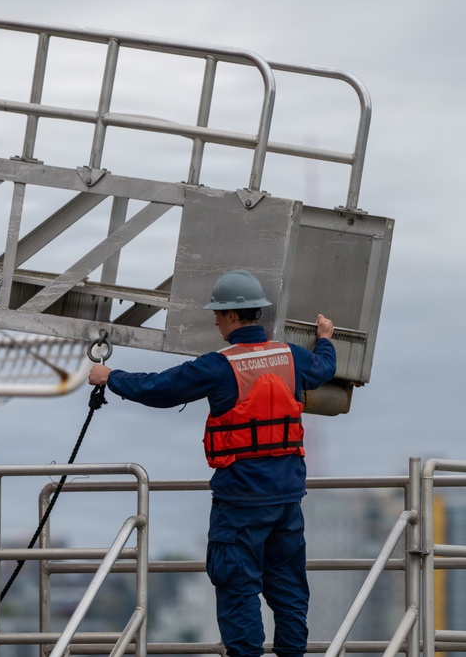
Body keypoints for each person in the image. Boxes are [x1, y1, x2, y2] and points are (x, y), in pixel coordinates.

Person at [88, 269, 336, 657]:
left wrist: (110, 376)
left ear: (233, 315)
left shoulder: (219, 366)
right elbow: (324, 369)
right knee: (289, 589)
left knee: (239, 589)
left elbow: (160, 388)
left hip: (240, 504)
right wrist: (325, 339)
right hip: (287, 501)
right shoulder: (291, 355)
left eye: (218, 313)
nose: (215, 321)